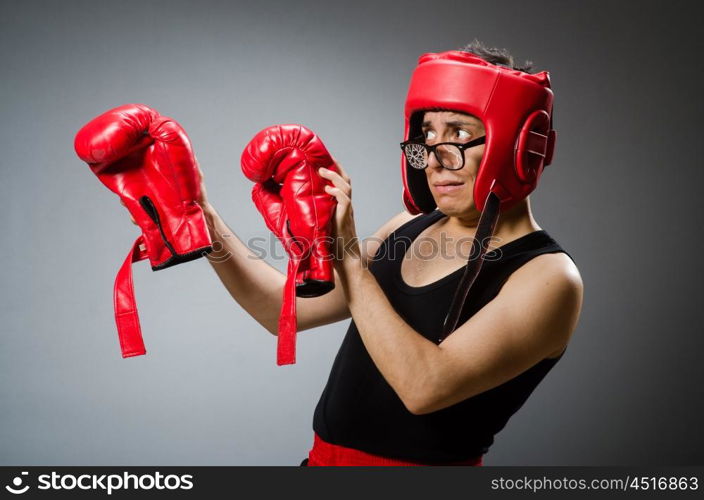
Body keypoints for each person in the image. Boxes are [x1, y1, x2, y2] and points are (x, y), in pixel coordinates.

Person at [130, 41, 583, 465]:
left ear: (519, 147)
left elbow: (424, 387)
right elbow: (281, 313)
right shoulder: (404, 229)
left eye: (460, 133)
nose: (436, 158)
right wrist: (200, 217)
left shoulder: (546, 277)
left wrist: (343, 251)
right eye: (427, 134)